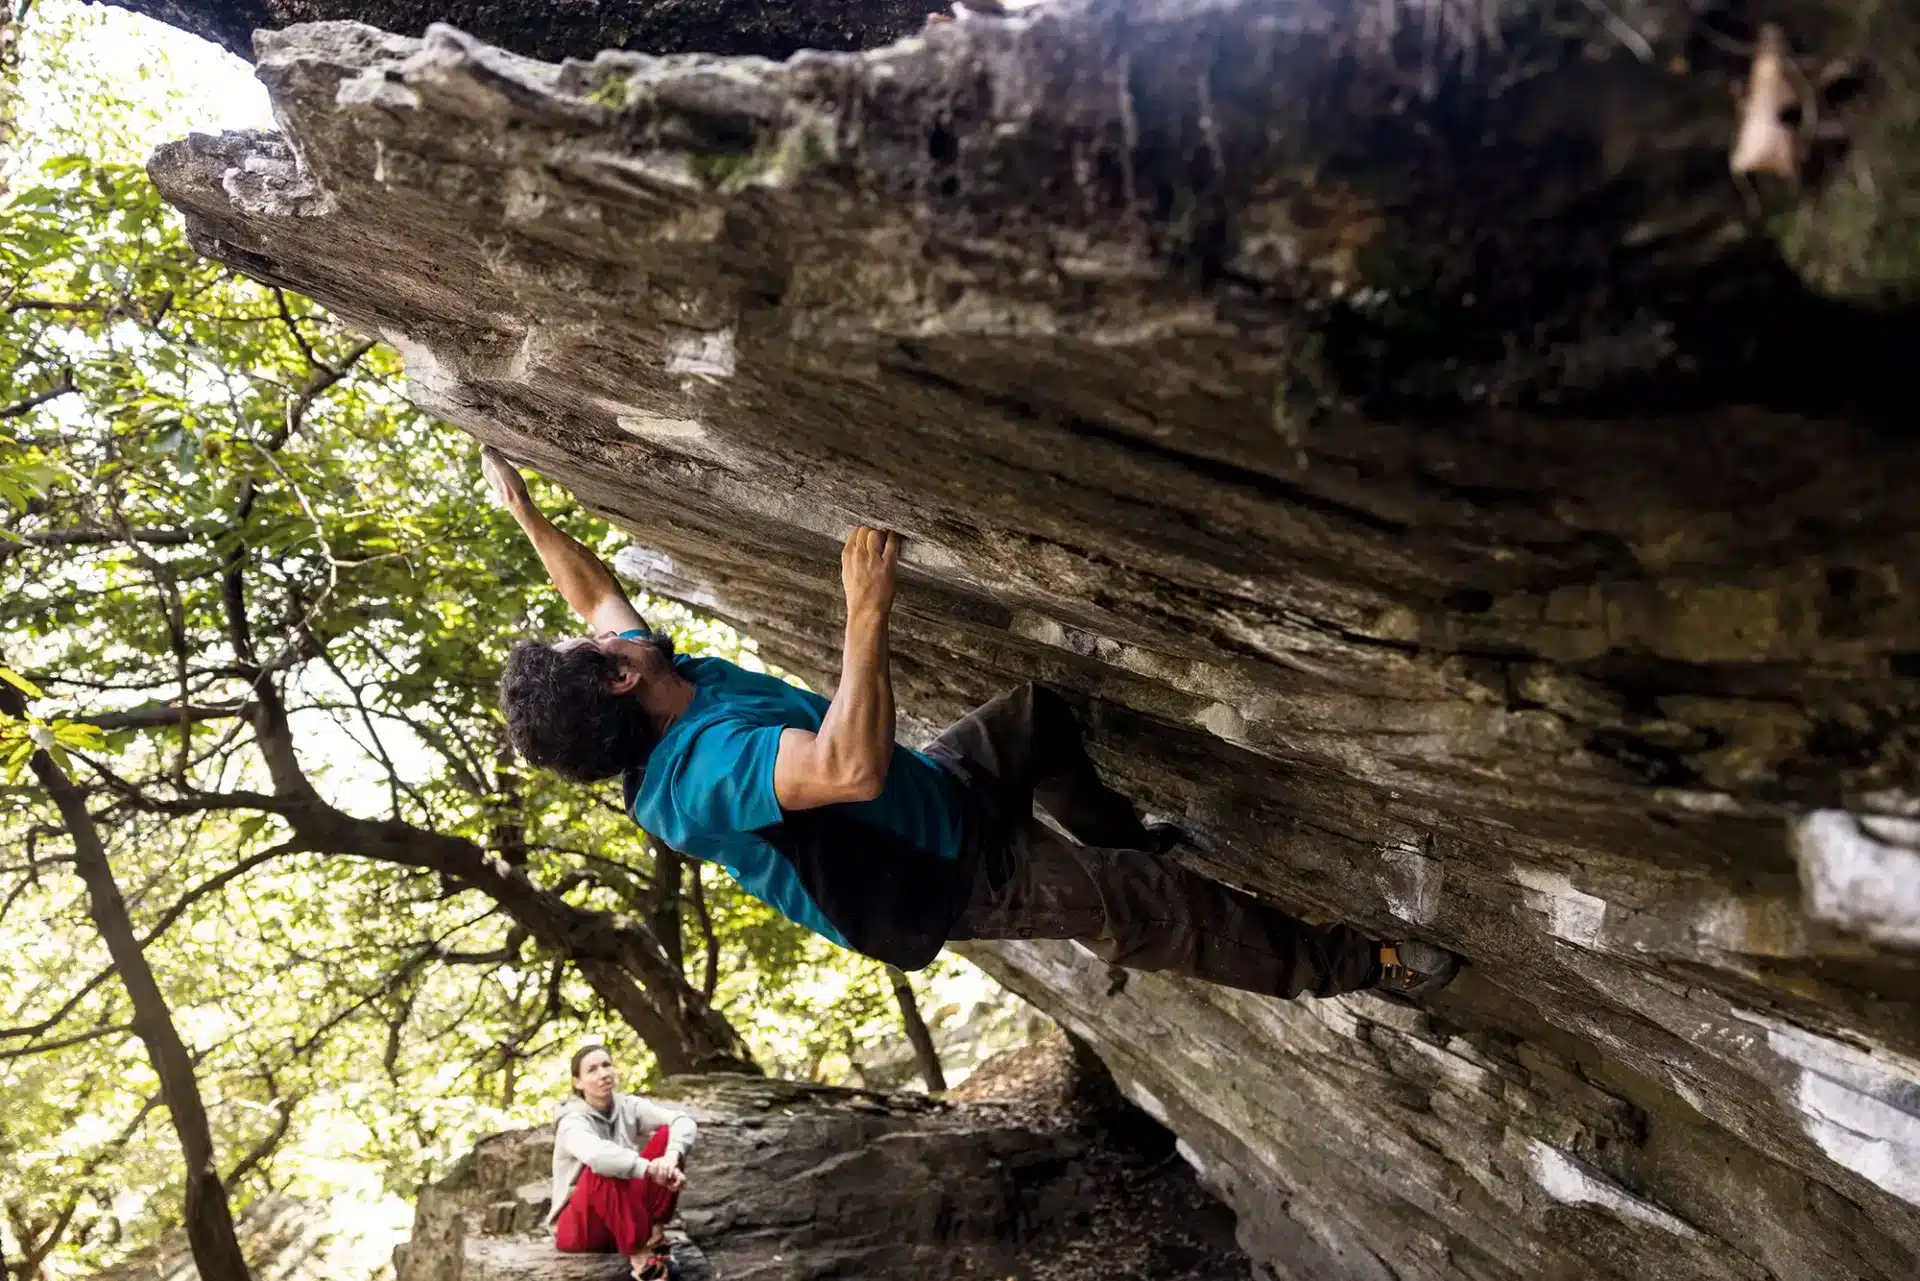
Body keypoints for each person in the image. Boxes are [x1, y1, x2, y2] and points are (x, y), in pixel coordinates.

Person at [484, 447, 1460, 1001]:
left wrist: (524, 512)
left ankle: (1127, 841)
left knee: (1038, 717)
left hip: (937, 789)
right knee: (1151, 908)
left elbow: (591, 592)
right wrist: (865, 612)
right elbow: (849, 768)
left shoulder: (648, 679)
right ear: (620, 680)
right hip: (950, 876)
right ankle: (1361, 964)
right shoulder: (700, 778)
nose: (605, 627)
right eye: (597, 647)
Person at [550, 1043, 695, 1280]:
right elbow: (598, 1156)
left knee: (668, 1135)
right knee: (603, 1168)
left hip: (625, 1216)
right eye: (592, 1070)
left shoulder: (628, 1105)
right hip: (582, 1228)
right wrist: (649, 1169)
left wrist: (671, 1157)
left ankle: (655, 1236)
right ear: (577, 1082)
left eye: (606, 1065)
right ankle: (641, 1261)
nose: (603, 1074)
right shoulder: (571, 1122)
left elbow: (682, 1120)